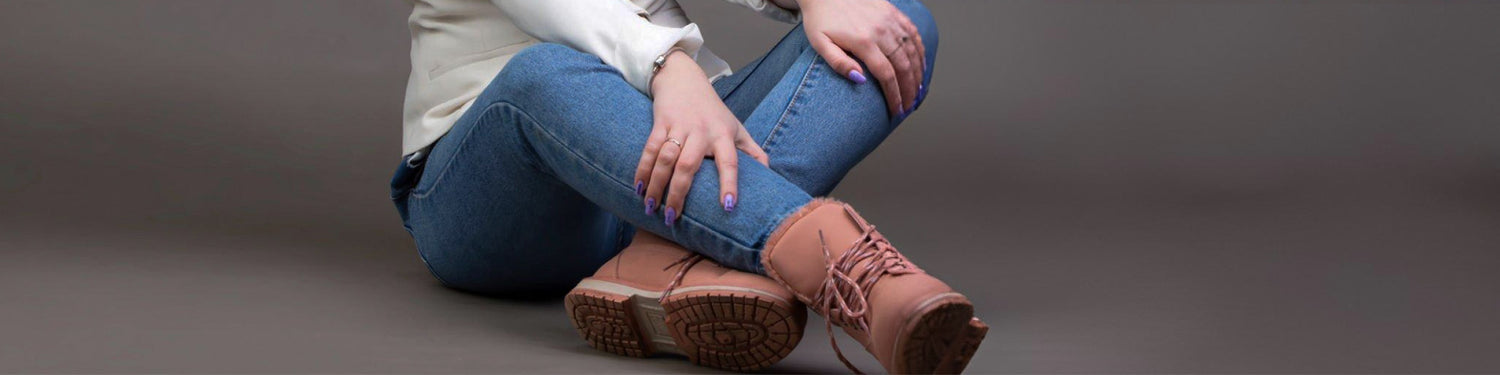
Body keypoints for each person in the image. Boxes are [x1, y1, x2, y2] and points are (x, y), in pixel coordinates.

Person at [391, 0, 986, 372]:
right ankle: (853, 276)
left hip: (652, 161)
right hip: (493, 193)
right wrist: (667, 66)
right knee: (541, 72)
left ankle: (665, 255)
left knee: (889, 22)